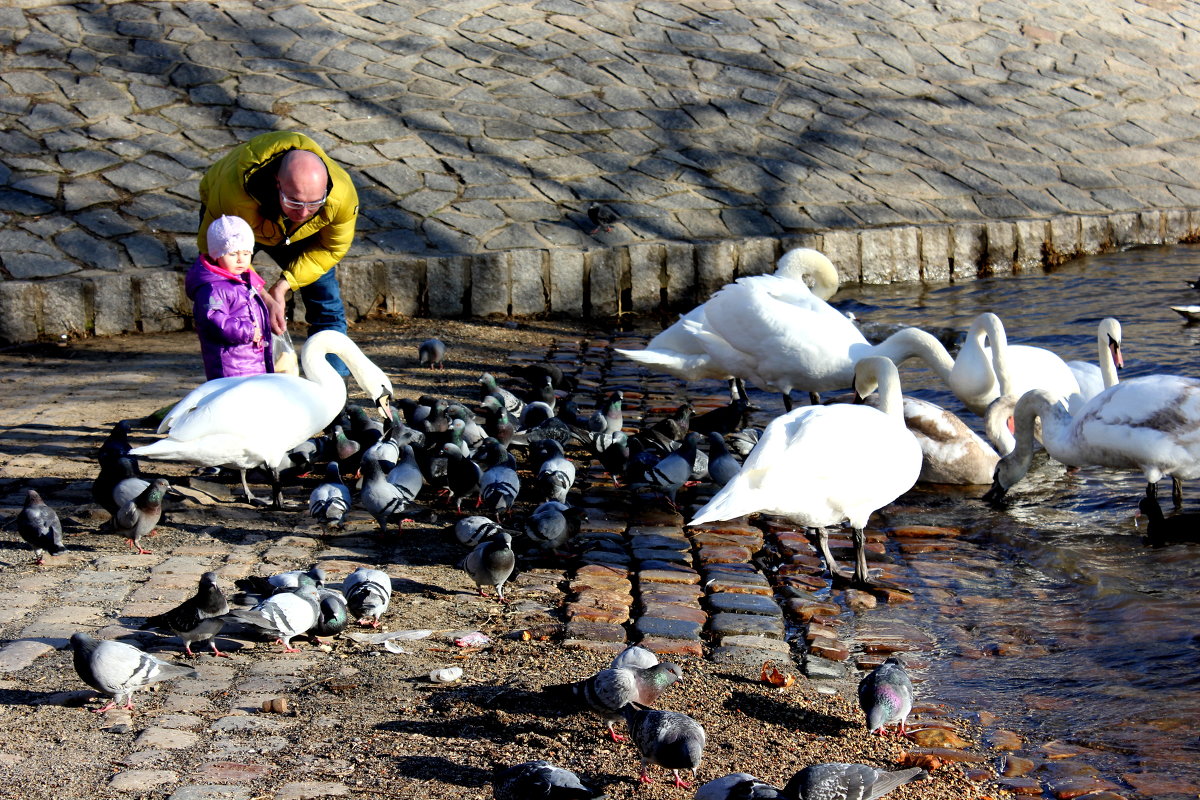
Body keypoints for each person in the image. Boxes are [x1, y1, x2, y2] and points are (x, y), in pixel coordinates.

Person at [197, 131, 359, 373]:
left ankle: (335, 392)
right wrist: (263, 295)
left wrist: (283, 286)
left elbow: (331, 248)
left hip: (303, 235)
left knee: (327, 306)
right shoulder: (233, 196)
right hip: (241, 224)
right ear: (277, 184)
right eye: (294, 201)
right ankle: (240, 381)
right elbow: (215, 255)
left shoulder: (341, 197)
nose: (303, 212)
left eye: (314, 203)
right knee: (235, 305)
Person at [186, 215, 273, 381]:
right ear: (216, 255)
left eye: (246, 253)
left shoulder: (243, 282)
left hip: (251, 360)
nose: (241, 259)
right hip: (231, 366)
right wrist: (249, 331)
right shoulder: (213, 288)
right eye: (233, 254)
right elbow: (213, 319)